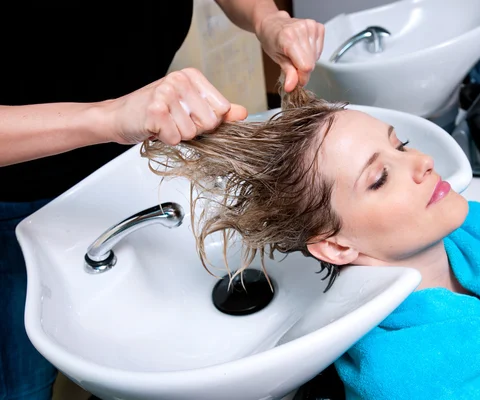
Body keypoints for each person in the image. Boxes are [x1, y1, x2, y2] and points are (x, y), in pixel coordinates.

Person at [142, 83, 480, 399]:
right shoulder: (410, 380)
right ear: (338, 246)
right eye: (380, 178)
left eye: (400, 146)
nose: (421, 161)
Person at [0, 2, 324, 399]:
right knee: (22, 383)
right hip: (20, 197)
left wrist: (267, 19)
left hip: (135, 161)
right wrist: (108, 116)